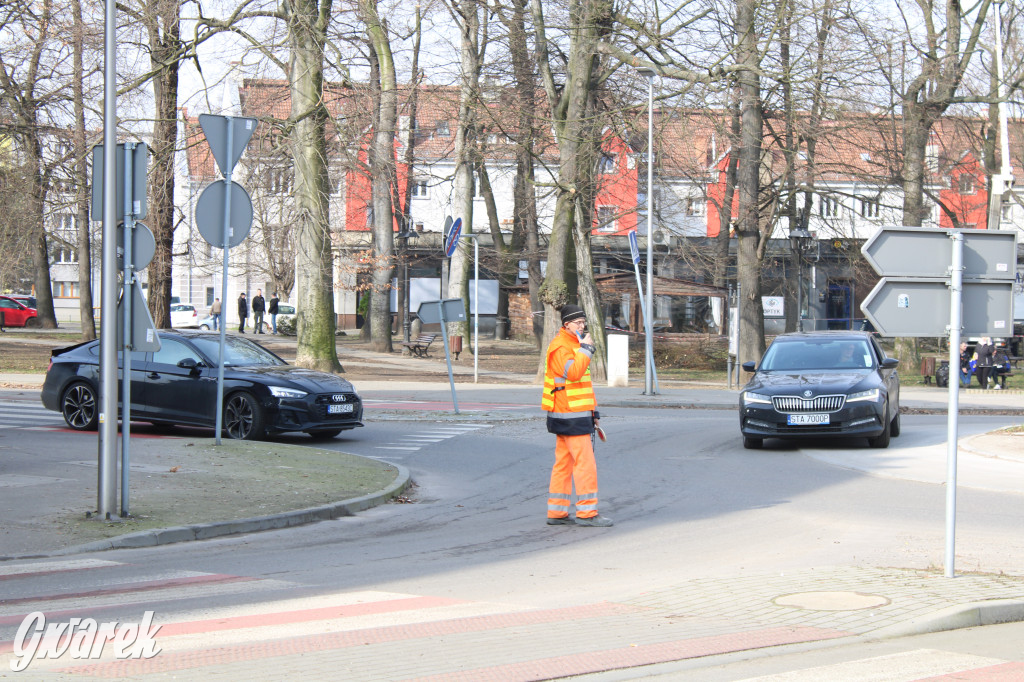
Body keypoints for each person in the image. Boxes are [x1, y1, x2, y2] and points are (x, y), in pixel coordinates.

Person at [541, 304, 612, 528]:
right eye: (578, 322)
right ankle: (587, 513)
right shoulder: (562, 347)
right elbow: (573, 374)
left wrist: (594, 414)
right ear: (566, 324)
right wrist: (586, 350)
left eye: (583, 322)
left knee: (564, 464)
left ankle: (557, 512)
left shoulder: (572, 345)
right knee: (585, 465)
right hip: (569, 415)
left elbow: (583, 386)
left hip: (573, 414)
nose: (582, 326)